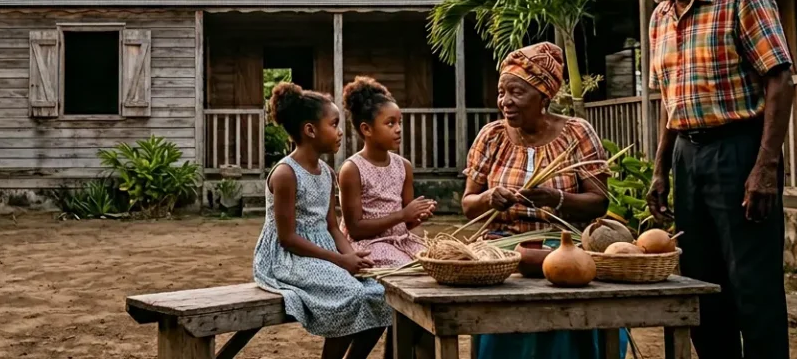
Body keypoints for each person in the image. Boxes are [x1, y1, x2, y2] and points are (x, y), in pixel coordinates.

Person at [618, 0, 794, 359]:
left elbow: (779, 79)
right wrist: (660, 169)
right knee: (701, 285)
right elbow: (670, 101)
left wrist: (765, 166)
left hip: (740, 151)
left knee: (751, 287)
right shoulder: (660, 18)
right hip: (687, 156)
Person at [460, 42, 627, 359]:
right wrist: (488, 198)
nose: (505, 102)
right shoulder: (491, 136)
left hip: (562, 244)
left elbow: (599, 202)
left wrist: (557, 198)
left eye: (517, 93)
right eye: (501, 92)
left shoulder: (577, 133)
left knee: (562, 282)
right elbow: (468, 205)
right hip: (501, 248)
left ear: (544, 97)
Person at [253, 82, 390, 359]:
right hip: (287, 258)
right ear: (310, 130)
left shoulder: (327, 173)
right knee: (351, 294)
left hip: (323, 253)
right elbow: (287, 238)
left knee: (381, 293)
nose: (340, 132)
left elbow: (330, 225)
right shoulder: (285, 174)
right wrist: (340, 261)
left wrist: (352, 256)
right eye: (334, 124)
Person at [338, 76, 436, 267]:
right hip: (370, 244)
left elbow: (405, 224)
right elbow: (355, 229)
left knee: (436, 261)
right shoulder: (353, 169)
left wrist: (416, 216)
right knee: (404, 267)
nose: (398, 129)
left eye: (399, 122)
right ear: (367, 129)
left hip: (401, 241)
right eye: (390, 123)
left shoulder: (403, 166)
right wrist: (402, 215)